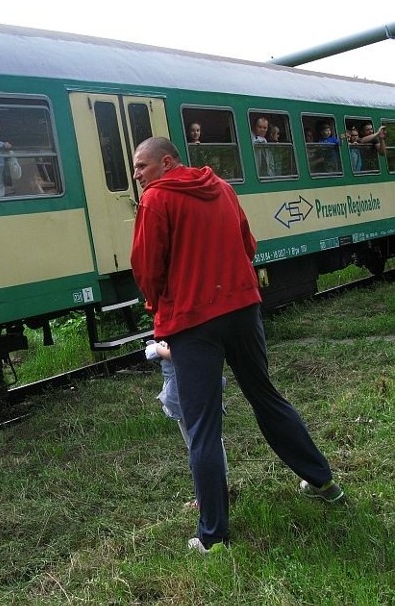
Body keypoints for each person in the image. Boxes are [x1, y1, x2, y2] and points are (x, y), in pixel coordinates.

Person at [130, 137, 342, 555]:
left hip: (194, 322)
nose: (136, 174)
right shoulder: (222, 187)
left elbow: (146, 267)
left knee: (203, 425)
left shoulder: (157, 200)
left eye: (141, 165)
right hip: (242, 309)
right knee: (266, 397)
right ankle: (324, 483)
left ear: (166, 162)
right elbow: (249, 246)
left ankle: (213, 537)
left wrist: (160, 306)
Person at [145, 339, 228, 509]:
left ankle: (207, 497)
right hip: (203, 388)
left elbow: (181, 353)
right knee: (208, 442)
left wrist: (157, 350)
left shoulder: (182, 329)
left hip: (188, 395)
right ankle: (216, 490)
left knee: (198, 446)